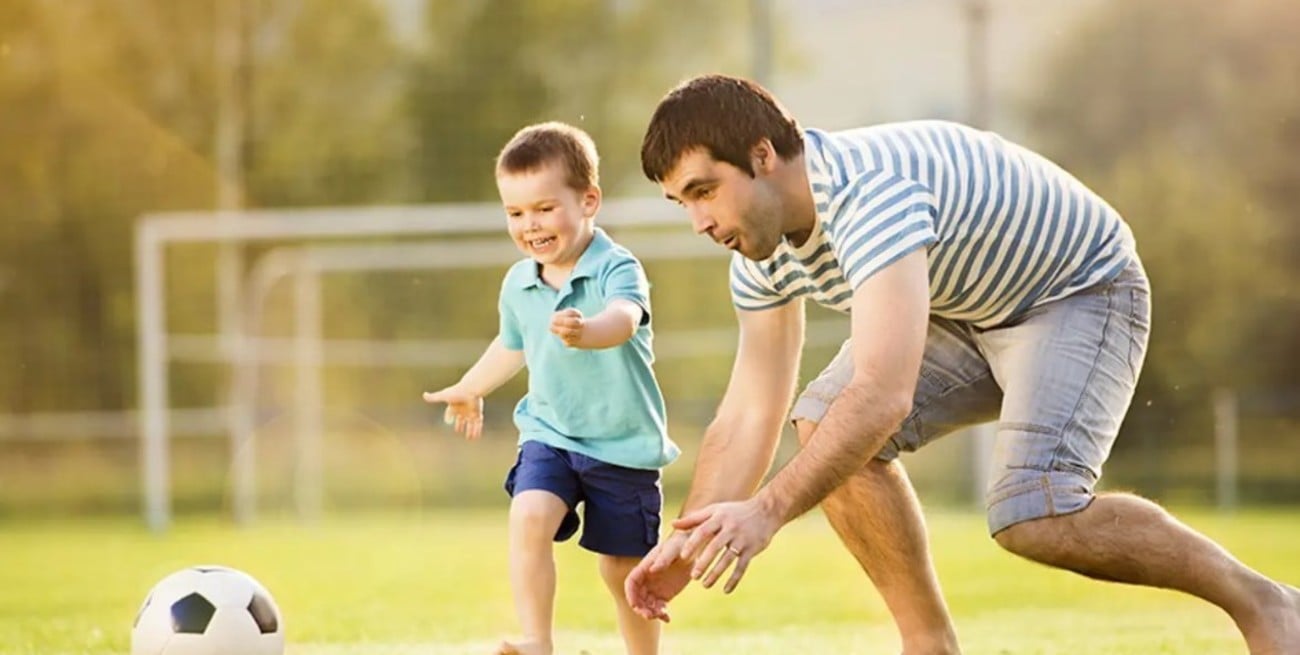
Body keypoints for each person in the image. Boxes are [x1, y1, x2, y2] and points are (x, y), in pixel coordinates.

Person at [622, 74, 1300, 654]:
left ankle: (1265, 601)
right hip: (967, 308)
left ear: (763, 155)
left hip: (1076, 290)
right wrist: (692, 539)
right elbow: (747, 414)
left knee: (1033, 514)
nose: (699, 223)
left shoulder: (868, 195)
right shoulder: (761, 253)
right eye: (682, 202)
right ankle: (930, 646)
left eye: (704, 190)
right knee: (825, 421)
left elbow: (883, 394)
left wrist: (766, 510)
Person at [424, 121, 679, 655]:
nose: (530, 226)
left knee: (621, 570)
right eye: (515, 213)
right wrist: (473, 386)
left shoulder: (617, 266)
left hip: (623, 446)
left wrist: (588, 332)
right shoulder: (519, 281)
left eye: (544, 208)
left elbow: (625, 317)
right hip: (551, 433)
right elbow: (512, 344)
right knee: (530, 515)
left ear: (589, 201)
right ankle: (537, 642)